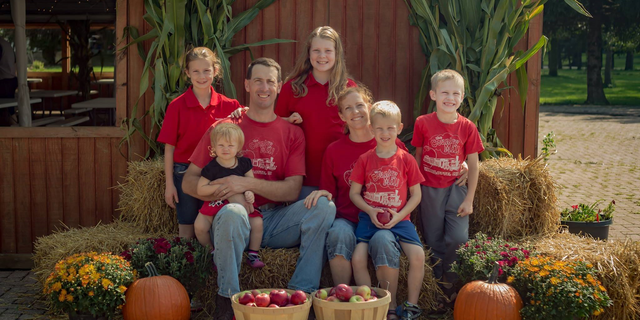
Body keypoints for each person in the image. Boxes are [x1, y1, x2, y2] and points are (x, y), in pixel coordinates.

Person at [182, 57, 336, 320]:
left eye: (270, 82)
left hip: (274, 220)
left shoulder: (291, 132)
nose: (264, 87)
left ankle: (301, 297)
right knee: (232, 212)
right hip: (233, 222)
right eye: (258, 81)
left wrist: (244, 183)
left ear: (278, 88)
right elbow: (188, 182)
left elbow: (291, 190)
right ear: (247, 85)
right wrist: (224, 190)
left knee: (324, 207)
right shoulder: (225, 129)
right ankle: (226, 301)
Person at [303, 86, 408, 290]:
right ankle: (344, 297)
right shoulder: (334, 151)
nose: (356, 111)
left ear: (369, 107)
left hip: (383, 220)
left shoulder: (391, 144)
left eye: (360, 105)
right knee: (338, 234)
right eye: (348, 108)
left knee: (384, 241)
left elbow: (412, 180)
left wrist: (462, 165)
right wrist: (322, 195)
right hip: (348, 219)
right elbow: (328, 192)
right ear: (342, 115)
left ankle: (387, 306)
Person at [411, 69, 484, 310]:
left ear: (462, 97)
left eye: (455, 93)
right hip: (430, 189)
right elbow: (418, 157)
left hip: (457, 188)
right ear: (433, 94)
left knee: (457, 238)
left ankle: (452, 283)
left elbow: (473, 165)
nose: (450, 98)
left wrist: (470, 199)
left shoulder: (467, 127)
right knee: (433, 239)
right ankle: (438, 288)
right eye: (444, 92)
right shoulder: (423, 123)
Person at [349, 101, 425, 320]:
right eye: (380, 128)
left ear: (399, 128)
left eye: (390, 128)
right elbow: (355, 194)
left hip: (400, 219)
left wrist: (400, 216)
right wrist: (371, 210)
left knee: (418, 255)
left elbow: (416, 195)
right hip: (369, 218)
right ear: (371, 129)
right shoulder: (365, 160)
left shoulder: (406, 159)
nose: (385, 133)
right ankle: (373, 304)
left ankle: (411, 304)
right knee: (357, 258)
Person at [157, 47, 242, 240]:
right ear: (187, 73)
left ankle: (211, 265)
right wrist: (169, 185)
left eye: (206, 71)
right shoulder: (177, 106)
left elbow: (254, 123)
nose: (202, 76)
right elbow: (169, 148)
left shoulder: (230, 105)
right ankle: (187, 267)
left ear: (216, 71)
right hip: (184, 172)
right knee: (187, 229)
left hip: (218, 173)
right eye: (196, 71)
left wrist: (241, 114)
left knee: (213, 227)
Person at [275, 26, 356, 199]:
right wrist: (287, 120)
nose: (322, 56)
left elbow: (361, 128)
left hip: (342, 176)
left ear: (337, 54)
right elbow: (275, 126)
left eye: (328, 51)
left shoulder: (348, 89)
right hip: (303, 177)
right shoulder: (292, 88)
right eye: (316, 50)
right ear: (308, 53)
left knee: (340, 225)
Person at [194, 123, 264, 269]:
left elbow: (251, 183)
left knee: (258, 223)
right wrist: (221, 188)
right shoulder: (211, 167)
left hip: (241, 202)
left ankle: (253, 254)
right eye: (221, 145)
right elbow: (200, 189)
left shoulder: (244, 163)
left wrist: (249, 192)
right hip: (218, 201)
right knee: (199, 227)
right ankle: (213, 252)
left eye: (230, 145)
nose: (226, 149)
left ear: (238, 147)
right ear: (213, 146)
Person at [0, 36, 17, 126]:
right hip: (11, 79)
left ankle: (14, 130)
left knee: (9, 108)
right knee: (10, 107)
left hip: (5, 81)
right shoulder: (6, 44)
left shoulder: (0, 45)